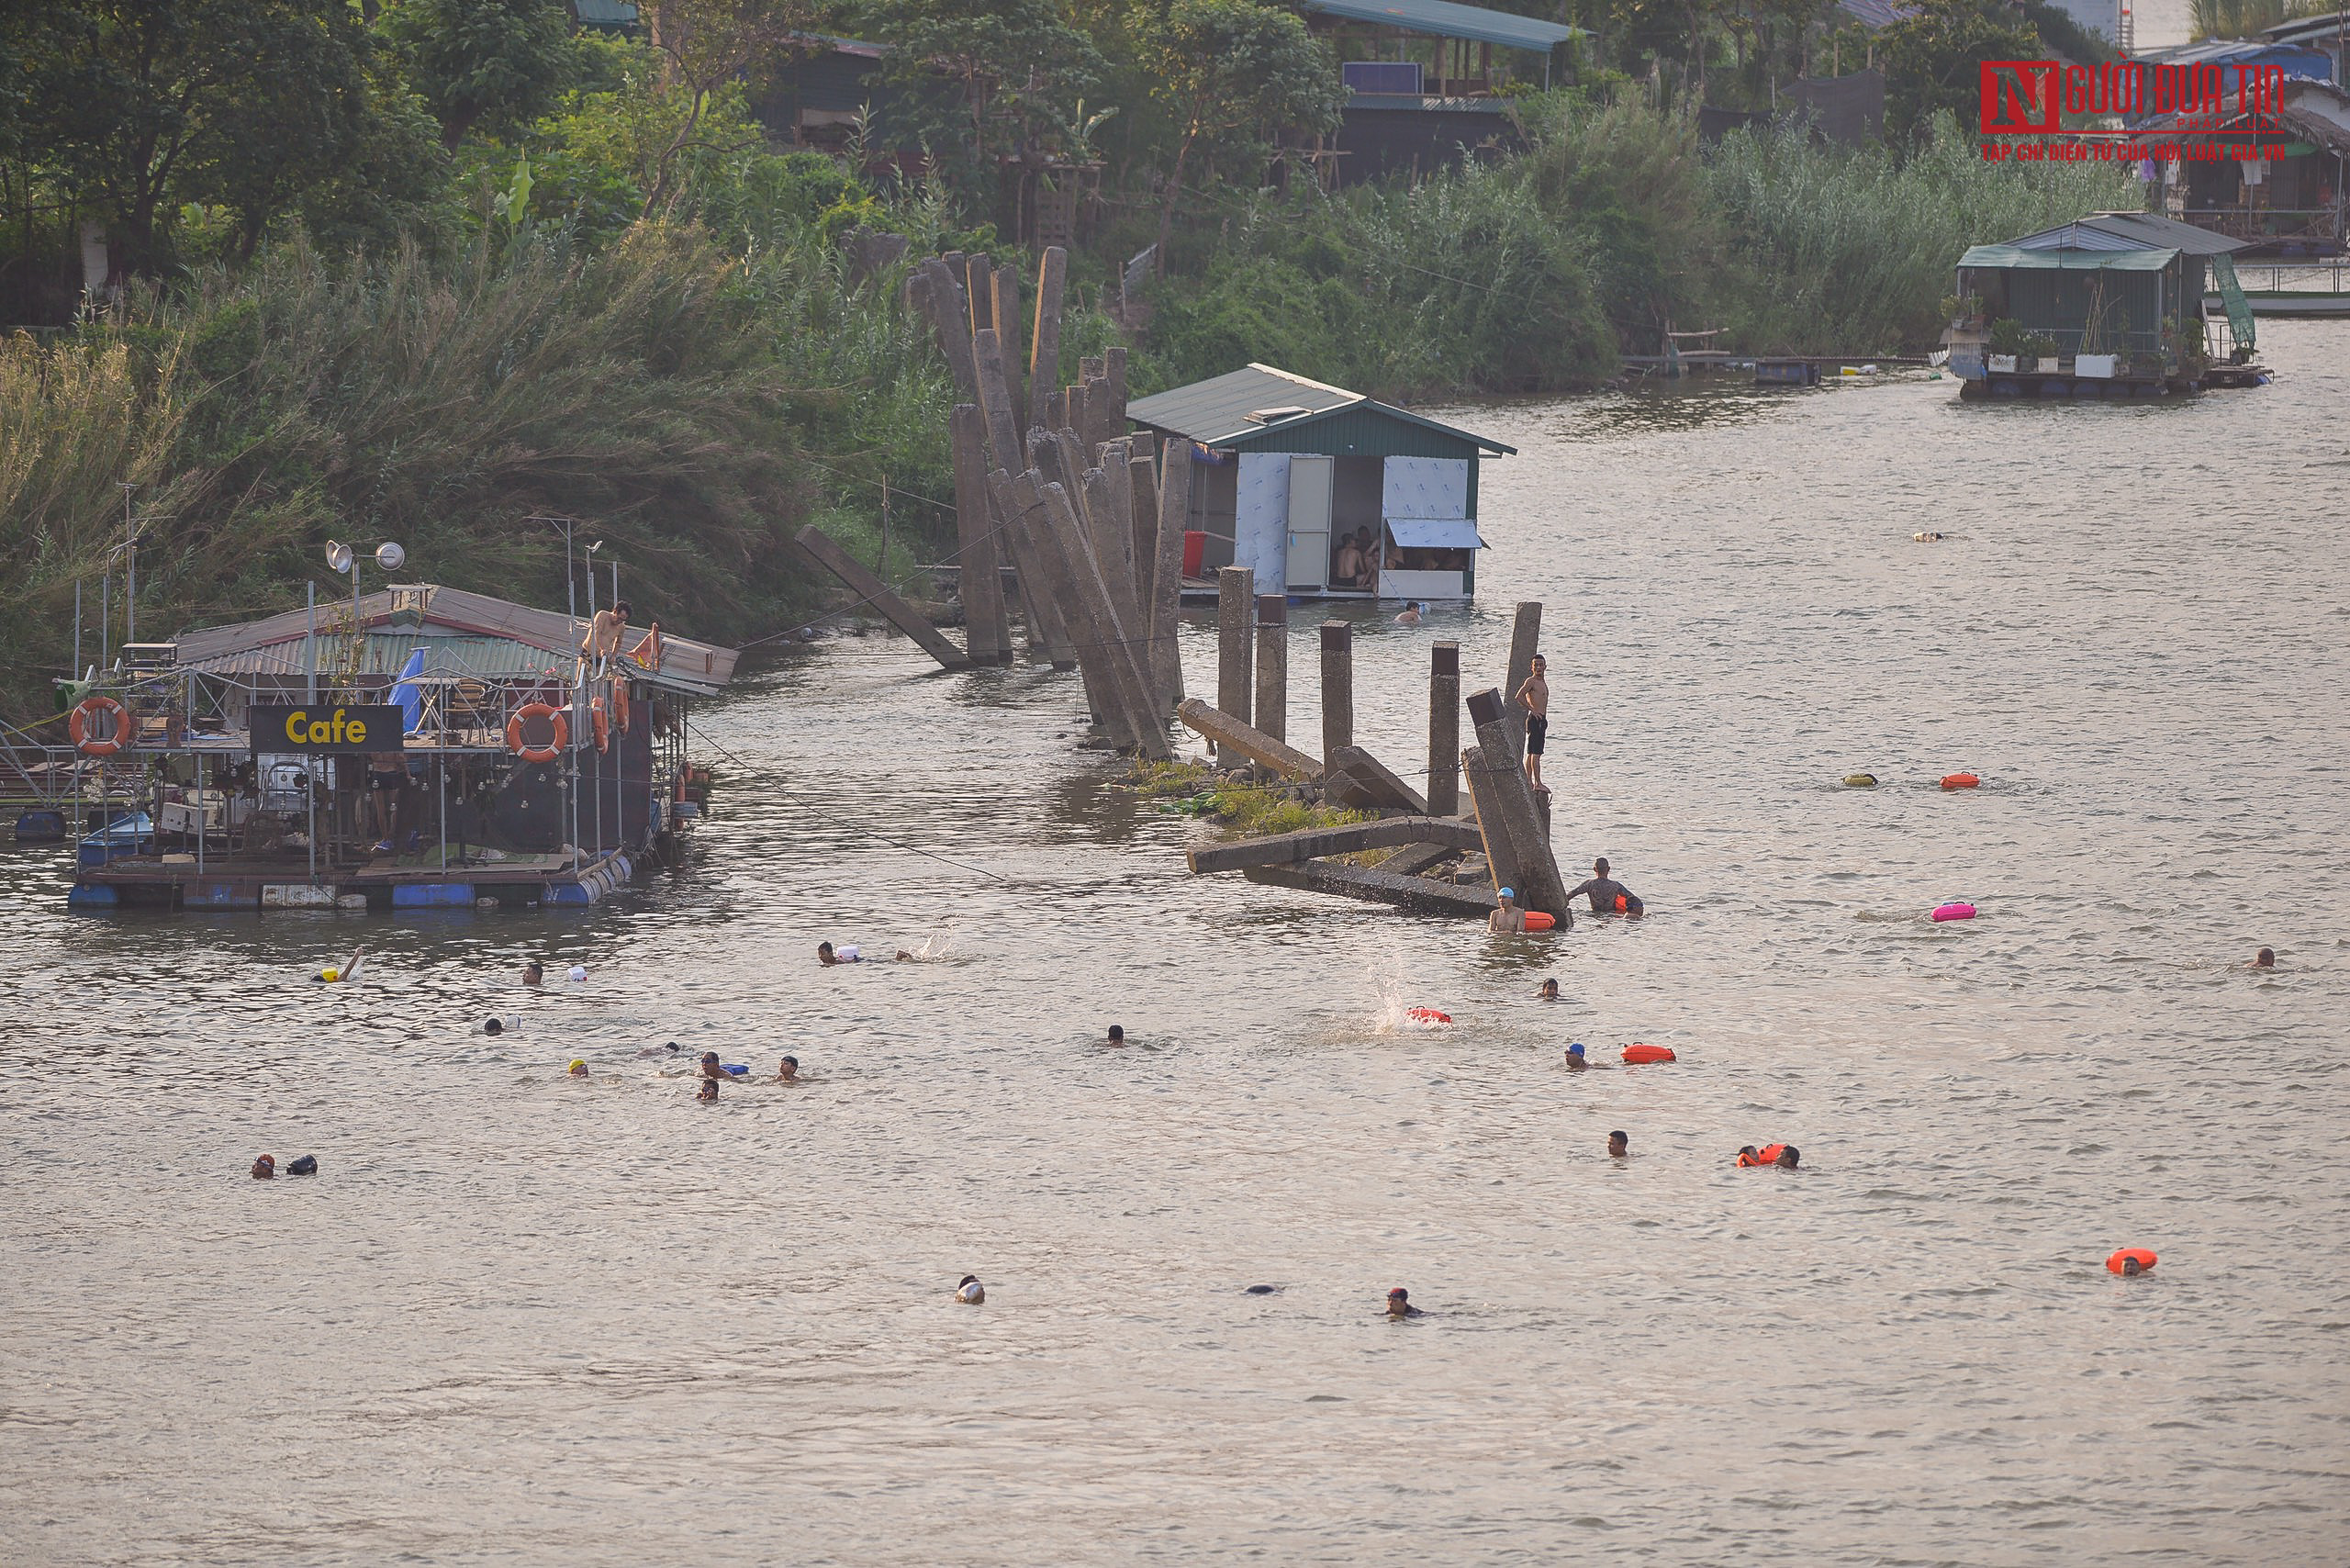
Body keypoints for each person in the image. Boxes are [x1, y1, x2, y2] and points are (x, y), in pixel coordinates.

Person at [1513, 655, 1549, 791]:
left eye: (1541, 665)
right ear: (1531, 667)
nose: (1538, 667)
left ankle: (1529, 781)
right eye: (1536, 665)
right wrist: (1532, 710)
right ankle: (1537, 782)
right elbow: (1519, 696)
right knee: (1536, 753)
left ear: (1545, 667)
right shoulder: (1531, 681)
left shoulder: (1542, 682)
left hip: (1540, 719)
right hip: (1536, 719)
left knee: (1532, 752)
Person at [1564, 857, 1643, 918]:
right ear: (1609, 869)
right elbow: (1633, 898)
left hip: (1594, 915)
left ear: (1594, 869)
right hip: (1611, 916)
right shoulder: (1616, 886)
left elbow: (1570, 895)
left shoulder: (1589, 884)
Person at [366, 750, 406, 854]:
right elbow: (400, 758)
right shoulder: (393, 741)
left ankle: (385, 838)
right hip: (391, 772)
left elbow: (371, 756)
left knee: (381, 809)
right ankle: (391, 835)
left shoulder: (375, 743)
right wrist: (406, 770)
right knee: (393, 808)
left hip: (378, 773)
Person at [578, 599, 632, 671]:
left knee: (598, 680)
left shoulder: (621, 627)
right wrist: (602, 648)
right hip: (588, 652)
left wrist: (613, 656)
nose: (619, 621)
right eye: (619, 618)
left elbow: (618, 642)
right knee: (581, 677)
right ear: (615, 612)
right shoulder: (602, 615)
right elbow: (597, 633)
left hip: (601, 658)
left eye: (622, 620)